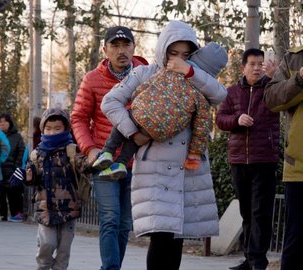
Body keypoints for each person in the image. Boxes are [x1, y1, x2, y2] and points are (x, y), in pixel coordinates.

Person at [101, 20, 226, 269]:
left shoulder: (196, 77)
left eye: (186, 54)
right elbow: (110, 102)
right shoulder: (144, 73)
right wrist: (133, 133)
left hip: (185, 170)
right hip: (154, 170)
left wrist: (189, 71)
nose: (178, 59)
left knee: (176, 238)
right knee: (160, 236)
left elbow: (220, 95)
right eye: (173, 52)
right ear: (163, 49)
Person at [70, 25, 147, 270]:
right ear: (105, 50)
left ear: (134, 47)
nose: (121, 51)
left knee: (125, 224)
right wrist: (90, 149)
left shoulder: (147, 74)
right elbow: (78, 117)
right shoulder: (92, 79)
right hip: (104, 160)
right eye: (115, 45)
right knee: (110, 219)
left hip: (138, 160)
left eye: (126, 45)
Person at [94, 42, 228, 179]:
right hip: (162, 131)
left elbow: (147, 85)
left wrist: (137, 99)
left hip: (143, 112)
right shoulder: (203, 97)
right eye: (174, 53)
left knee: (126, 120)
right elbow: (202, 127)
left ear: (193, 57)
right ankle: (121, 163)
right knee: (136, 140)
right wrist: (195, 153)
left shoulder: (170, 71)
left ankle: (107, 152)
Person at [216, 48, 279, 270]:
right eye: (252, 63)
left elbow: (284, 98)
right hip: (239, 160)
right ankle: (249, 259)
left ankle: (257, 260)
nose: (256, 68)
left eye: (260, 64)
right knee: (247, 211)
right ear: (243, 67)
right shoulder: (232, 92)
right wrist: (236, 119)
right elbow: (220, 119)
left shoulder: (271, 88)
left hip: (264, 159)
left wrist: (274, 78)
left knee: (261, 212)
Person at [20, 108, 86, 270]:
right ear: (43, 129)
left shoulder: (72, 150)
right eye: (48, 129)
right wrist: (29, 177)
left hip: (69, 209)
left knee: (64, 251)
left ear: (65, 129)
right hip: (46, 209)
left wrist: (91, 162)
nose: (52, 132)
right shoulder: (37, 154)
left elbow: (84, 166)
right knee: (47, 245)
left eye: (57, 128)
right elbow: (32, 177)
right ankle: (43, 266)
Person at [264, 46, 303, 270]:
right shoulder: (294, 59)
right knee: (296, 243)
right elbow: (271, 99)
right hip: (299, 169)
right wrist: (299, 79)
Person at [0, 113, 26, 222]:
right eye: (0, 122)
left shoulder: (16, 136)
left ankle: (17, 213)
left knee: (14, 192)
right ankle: (2, 215)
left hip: (12, 169)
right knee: (0, 194)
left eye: (5, 121)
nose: (2, 124)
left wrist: (16, 165)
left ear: (10, 123)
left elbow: (21, 151)